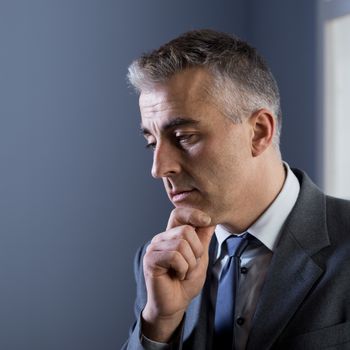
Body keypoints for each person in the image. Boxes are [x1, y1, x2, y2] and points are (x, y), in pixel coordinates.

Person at [122, 29, 350, 350]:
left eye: (184, 137)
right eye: (151, 143)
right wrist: (159, 325)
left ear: (259, 132)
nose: (159, 169)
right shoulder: (156, 262)